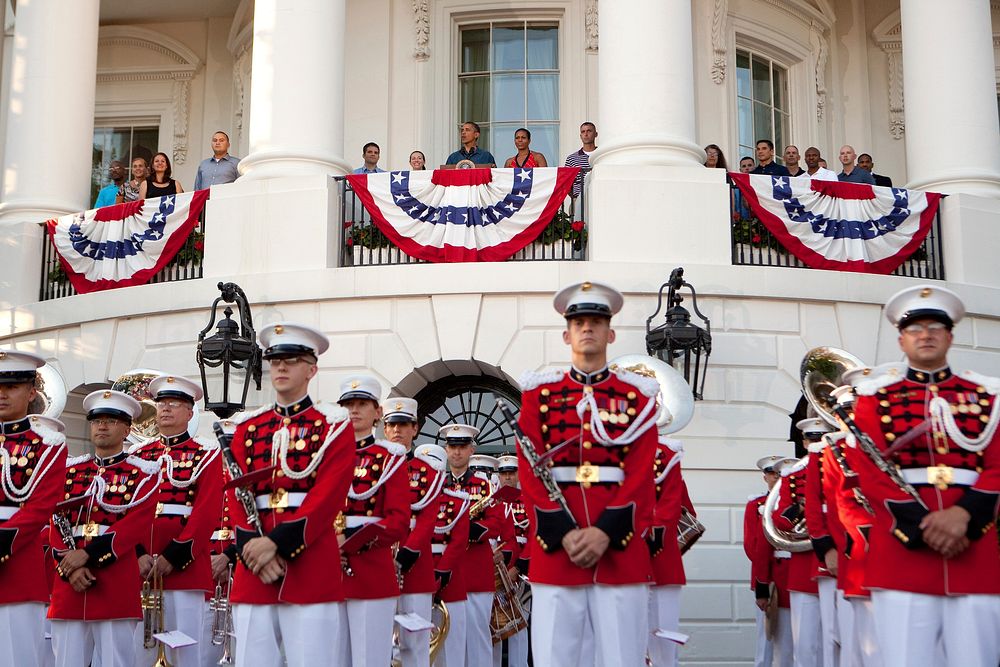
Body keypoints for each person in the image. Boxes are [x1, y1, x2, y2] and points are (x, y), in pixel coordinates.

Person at [849, 285, 1000, 666]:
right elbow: (870, 473)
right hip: (904, 553)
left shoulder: (986, 396)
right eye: (916, 329)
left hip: (974, 548)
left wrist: (964, 517)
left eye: (935, 327)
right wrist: (923, 527)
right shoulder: (873, 398)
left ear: (949, 336)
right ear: (902, 340)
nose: (926, 335)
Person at [516, 280, 661, 667]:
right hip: (557, 547)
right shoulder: (539, 395)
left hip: (618, 547)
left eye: (596, 320)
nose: (587, 328)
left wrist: (604, 532)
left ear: (610, 332)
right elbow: (530, 473)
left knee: (622, 658)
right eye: (579, 321)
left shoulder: (638, 397)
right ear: (566, 334)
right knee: (554, 658)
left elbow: (640, 472)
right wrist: (563, 531)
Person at [227, 322, 356, 666]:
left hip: (309, 565)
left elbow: (328, 497)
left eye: (292, 359)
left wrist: (276, 544)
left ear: (312, 369)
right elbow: (237, 496)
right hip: (255, 569)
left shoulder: (334, 426)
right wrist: (253, 550)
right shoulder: (246, 428)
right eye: (274, 360)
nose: (281, 367)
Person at [48, 390, 160, 667]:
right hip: (69, 583)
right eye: (97, 420)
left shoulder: (144, 473)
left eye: (111, 420)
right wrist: (69, 566)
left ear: (126, 429)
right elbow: (54, 520)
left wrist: (86, 557)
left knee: (115, 661)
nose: (102, 426)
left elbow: (135, 525)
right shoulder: (70, 471)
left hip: (113, 581)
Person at [128, 374, 223, 667]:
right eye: (162, 403)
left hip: (185, 565)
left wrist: (174, 555)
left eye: (174, 403)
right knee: (140, 649)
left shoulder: (206, 453)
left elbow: (206, 512)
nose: (166, 409)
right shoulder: (137, 455)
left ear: (190, 412)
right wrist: (138, 554)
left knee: (184, 650)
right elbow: (126, 511)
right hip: (141, 567)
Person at [337, 376, 410, 667]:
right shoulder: (325, 457)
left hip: (371, 571)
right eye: (348, 405)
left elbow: (399, 520)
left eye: (362, 404)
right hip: (330, 570)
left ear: (377, 412)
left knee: (370, 659)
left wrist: (352, 539)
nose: (354, 410)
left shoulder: (390, 457)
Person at [0, 351, 67, 667]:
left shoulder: (48, 443)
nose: (2, 394)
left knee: (16, 658)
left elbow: (43, 503)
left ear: (30, 392)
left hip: (16, 563)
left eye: (11, 387)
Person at [388, 396, 445, 667]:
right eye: (392, 424)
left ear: (415, 428)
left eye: (404, 424)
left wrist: (409, 551)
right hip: (377, 561)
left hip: (414, 564)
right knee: (375, 640)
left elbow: (428, 517)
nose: (397, 430)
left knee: (414, 644)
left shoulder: (427, 472)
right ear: (385, 429)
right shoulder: (370, 468)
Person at [441, 423, 503, 667]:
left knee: (478, 639)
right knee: (447, 640)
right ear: (446, 450)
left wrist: (468, 529)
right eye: (453, 446)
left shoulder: (486, 486)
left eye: (462, 446)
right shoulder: (437, 485)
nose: (457, 452)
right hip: (446, 571)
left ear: (471, 450)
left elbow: (497, 524)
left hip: (475, 571)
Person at [771, 450, 823, 667]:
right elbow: (779, 520)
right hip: (804, 568)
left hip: (847, 565)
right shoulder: (793, 476)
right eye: (812, 439)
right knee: (805, 646)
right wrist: (799, 508)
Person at [743, 455, 794, 667]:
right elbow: (752, 546)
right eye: (772, 473)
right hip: (769, 576)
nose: (776, 477)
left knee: (797, 642)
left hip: (793, 577)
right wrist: (762, 582)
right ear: (765, 477)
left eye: (780, 473)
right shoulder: (757, 505)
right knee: (766, 640)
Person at [647, 433, 687, 667]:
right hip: (626, 559)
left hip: (662, 559)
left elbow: (679, 507)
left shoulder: (666, 456)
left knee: (665, 641)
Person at [496, 455, 530, 667]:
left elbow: (534, 535)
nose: (507, 477)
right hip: (495, 571)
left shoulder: (527, 500)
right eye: (504, 473)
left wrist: (518, 568)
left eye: (512, 473)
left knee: (520, 627)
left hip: (520, 571)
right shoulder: (491, 500)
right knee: (494, 625)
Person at [564, 122, 597, 198]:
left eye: (589, 131)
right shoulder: (571, 159)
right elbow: (566, 184)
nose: (586, 134)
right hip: (579, 202)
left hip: (598, 198)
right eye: (583, 132)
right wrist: (576, 199)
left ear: (596, 134)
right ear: (580, 136)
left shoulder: (601, 156)